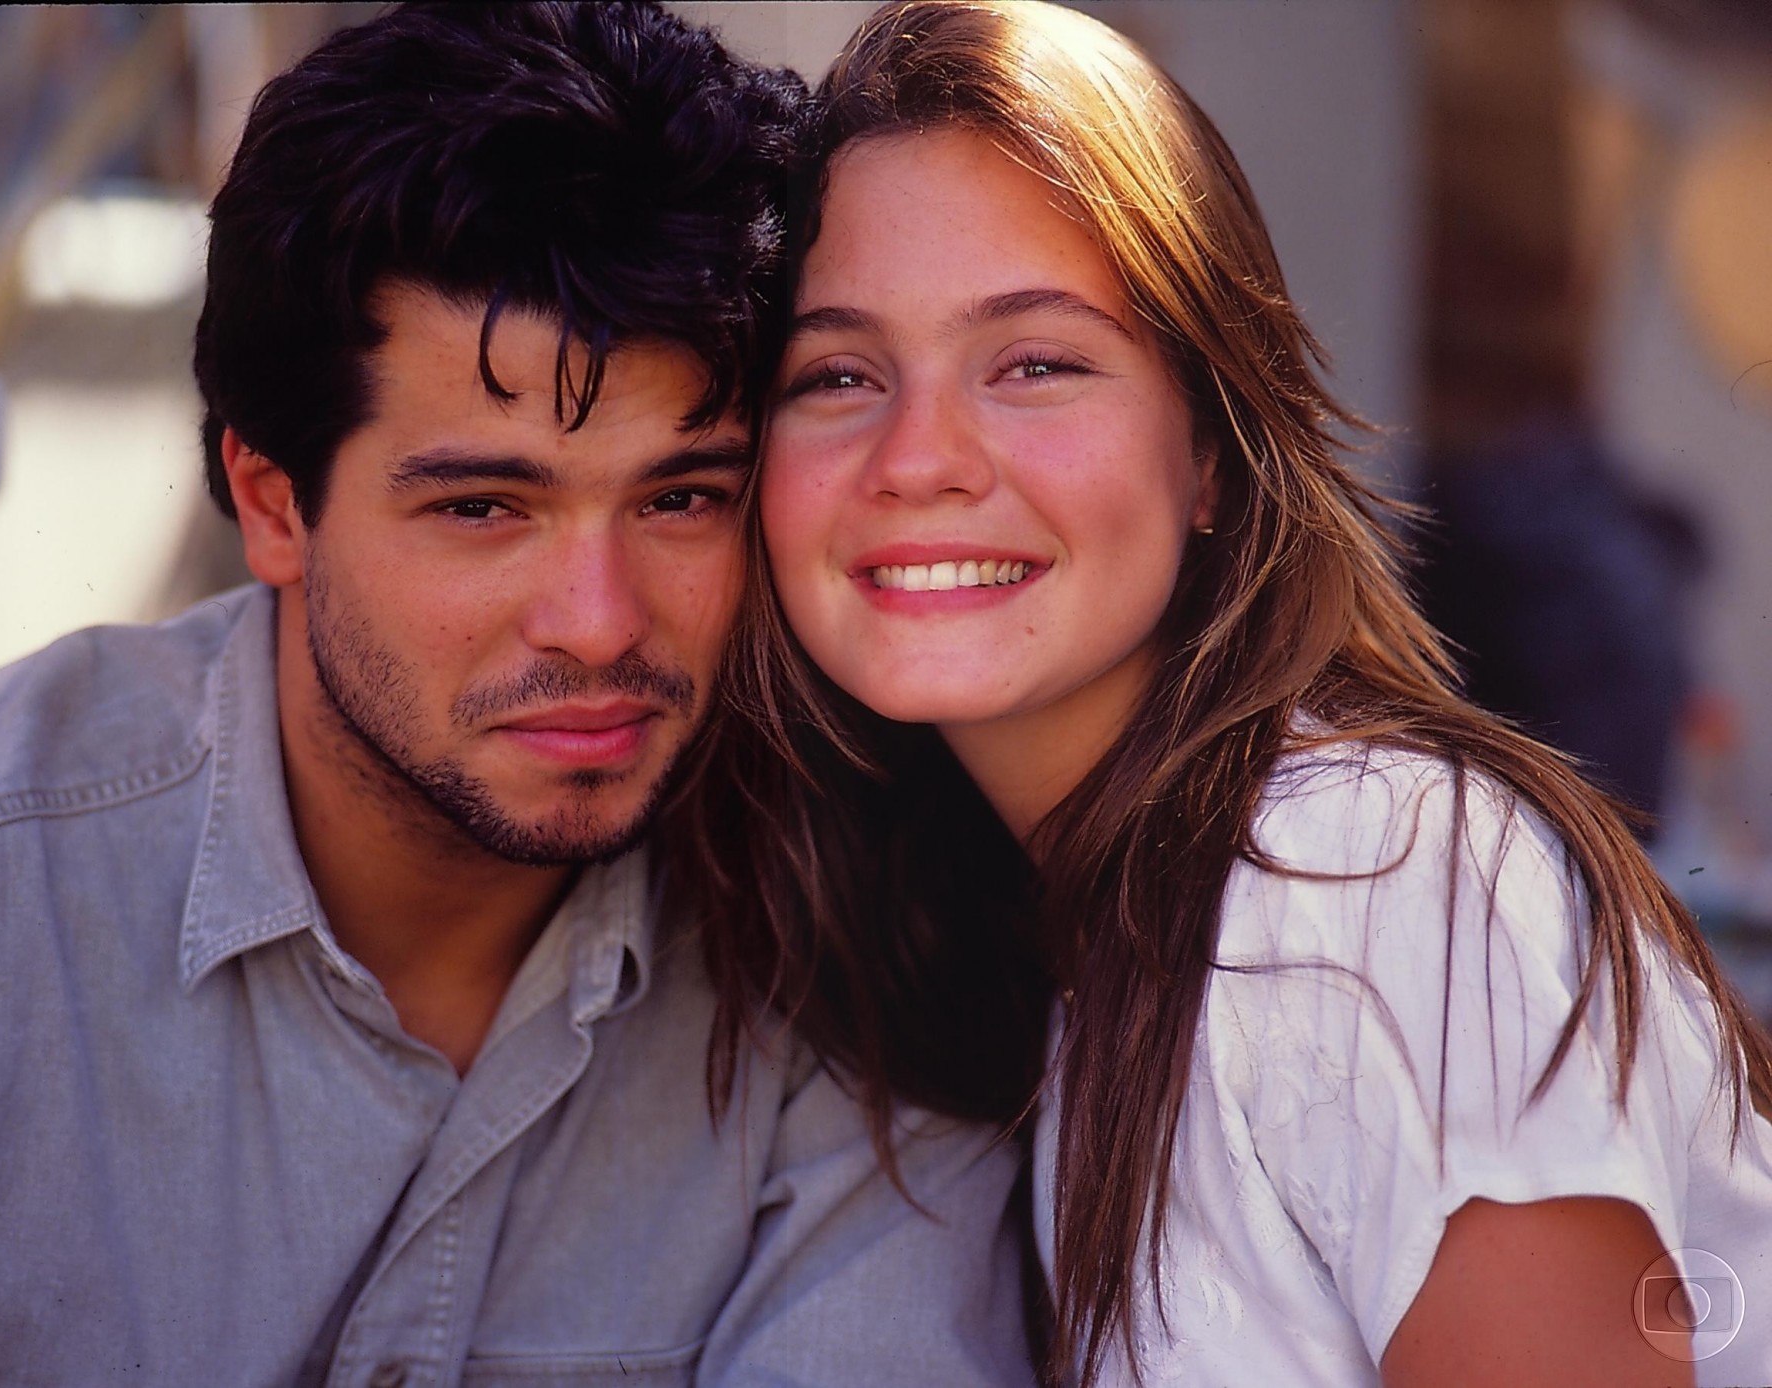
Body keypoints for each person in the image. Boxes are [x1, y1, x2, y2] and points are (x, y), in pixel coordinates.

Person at [0, 6, 1037, 1385]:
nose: (598, 625)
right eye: (483, 506)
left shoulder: (856, 942)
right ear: (270, 501)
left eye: (681, 498)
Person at [684, 2, 1772, 1384]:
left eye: (1034, 363)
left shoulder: (1367, 875)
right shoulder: (1067, 940)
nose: (920, 457)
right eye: (838, 373)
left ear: (1209, 452)